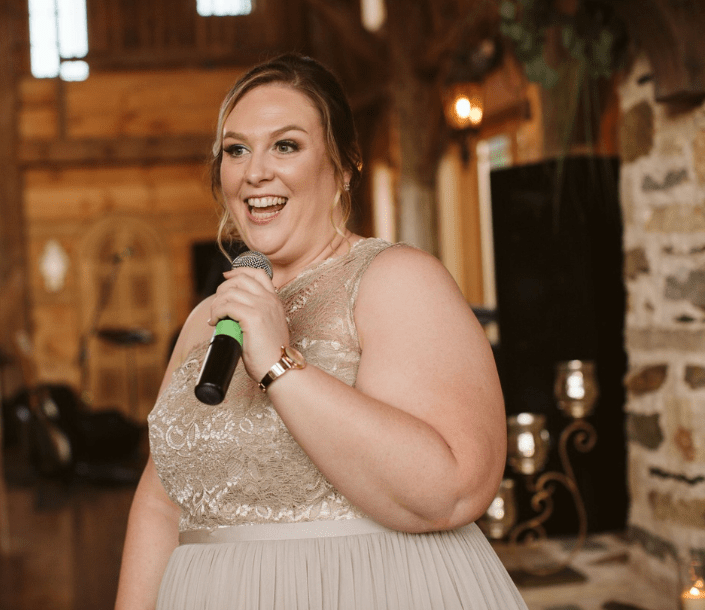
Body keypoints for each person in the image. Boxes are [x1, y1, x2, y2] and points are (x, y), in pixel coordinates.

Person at [114, 54, 527, 610]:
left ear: (345, 162)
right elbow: (161, 502)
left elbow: (452, 492)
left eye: (285, 145)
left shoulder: (395, 281)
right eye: (237, 150)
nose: (254, 171)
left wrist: (280, 363)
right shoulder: (206, 321)